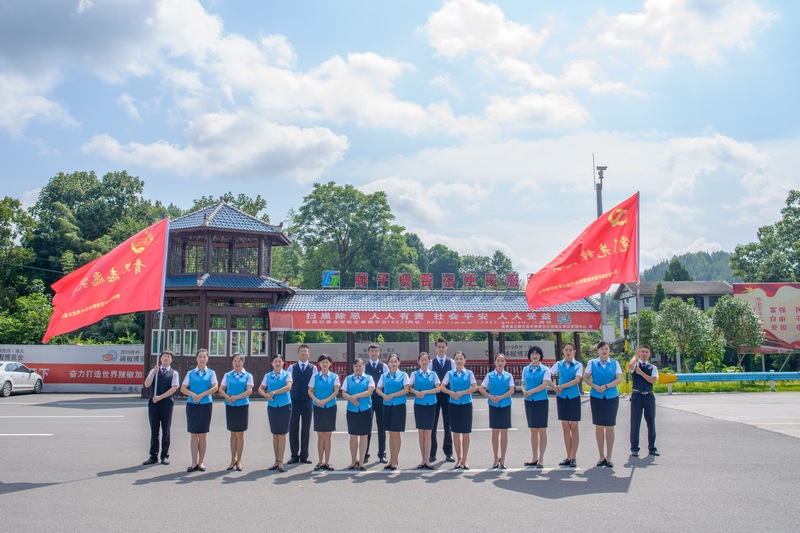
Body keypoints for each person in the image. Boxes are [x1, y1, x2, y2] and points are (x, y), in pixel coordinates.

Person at [584, 341, 623, 468]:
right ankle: (601, 456)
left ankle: (609, 456)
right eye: (602, 349)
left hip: (611, 396)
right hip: (596, 397)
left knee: (610, 426)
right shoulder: (592, 363)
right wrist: (595, 386)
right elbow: (585, 378)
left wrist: (606, 386)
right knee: (599, 426)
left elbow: (619, 379)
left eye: (606, 349)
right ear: (598, 351)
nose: (604, 351)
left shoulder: (615, 363)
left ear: (609, 351)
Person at [180, 348, 218, 472]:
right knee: (193, 434)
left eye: (204, 357)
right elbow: (183, 388)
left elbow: (215, 387)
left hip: (206, 404)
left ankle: (201, 462)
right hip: (192, 404)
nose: (202, 359)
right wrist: (193, 394)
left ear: (207, 359)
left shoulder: (211, 373)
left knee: (203, 434)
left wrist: (202, 394)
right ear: (196, 358)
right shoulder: (190, 373)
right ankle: (193, 462)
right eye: (200, 357)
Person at [440, 351, 477, 470]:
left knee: (465, 433)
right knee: (455, 433)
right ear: (454, 361)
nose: (459, 361)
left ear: (464, 360)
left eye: (461, 359)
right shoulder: (450, 373)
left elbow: (475, 387)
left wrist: (462, 393)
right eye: (457, 359)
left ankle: (465, 460)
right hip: (454, 404)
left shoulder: (469, 373)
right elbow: (441, 387)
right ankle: (459, 458)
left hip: (466, 404)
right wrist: (451, 393)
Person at [142, 350, 179, 466]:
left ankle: (165, 456)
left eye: (169, 357)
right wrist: (154, 372)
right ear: (160, 358)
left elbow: (174, 388)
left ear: (171, 360)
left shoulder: (174, 373)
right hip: (154, 403)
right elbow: (147, 384)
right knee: (154, 430)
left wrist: (160, 397)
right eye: (164, 356)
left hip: (166, 403)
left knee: (166, 430)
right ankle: (153, 455)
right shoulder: (154, 371)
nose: (166, 358)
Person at [479, 353, 516, 469]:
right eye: (498, 360)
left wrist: (501, 397)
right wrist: (490, 397)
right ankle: (495, 458)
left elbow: (512, 390)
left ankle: (503, 459)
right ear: (495, 362)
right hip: (493, 405)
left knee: (504, 432)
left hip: (505, 404)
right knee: (495, 432)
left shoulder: (508, 376)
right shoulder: (490, 376)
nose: (500, 363)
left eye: (502, 361)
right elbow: (481, 388)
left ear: (505, 363)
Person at [550, 342, 583, 468]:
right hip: (562, 397)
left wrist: (561, 386)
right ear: (563, 351)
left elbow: (576, 380)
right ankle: (568, 456)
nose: (568, 352)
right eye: (566, 350)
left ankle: (574, 456)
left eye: (570, 350)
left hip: (574, 396)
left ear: (574, 351)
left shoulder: (578, 365)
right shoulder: (559, 364)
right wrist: (554, 386)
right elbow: (547, 374)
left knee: (574, 426)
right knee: (565, 426)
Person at [219, 352, 253, 471]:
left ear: (243, 362)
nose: (237, 363)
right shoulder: (227, 375)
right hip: (230, 406)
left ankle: (239, 460)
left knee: (240, 434)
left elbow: (249, 391)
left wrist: (236, 397)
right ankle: (232, 459)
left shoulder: (248, 375)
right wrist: (226, 396)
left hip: (242, 406)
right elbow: (221, 389)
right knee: (232, 433)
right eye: (235, 361)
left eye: (239, 361)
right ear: (232, 363)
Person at [258, 354, 293, 472]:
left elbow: (288, 387)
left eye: (279, 361)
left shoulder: (287, 374)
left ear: (283, 363)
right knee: (275, 434)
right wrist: (265, 395)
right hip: (272, 406)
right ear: (272, 363)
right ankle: (276, 460)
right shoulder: (268, 375)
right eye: (275, 361)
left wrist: (274, 392)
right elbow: (260, 388)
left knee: (282, 434)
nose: (277, 363)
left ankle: (281, 461)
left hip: (284, 406)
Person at [376, 353, 410, 471]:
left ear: (399, 363)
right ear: (388, 363)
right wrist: (383, 395)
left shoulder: (403, 375)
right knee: (390, 433)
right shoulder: (384, 376)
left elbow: (406, 389)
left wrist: (393, 395)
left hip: (399, 406)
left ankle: (395, 459)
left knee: (396, 433)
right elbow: (378, 388)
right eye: (391, 362)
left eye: (395, 362)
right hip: (387, 405)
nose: (393, 364)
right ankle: (391, 459)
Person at [341, 358, 375, 471]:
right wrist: (351, 398)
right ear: (353, 367)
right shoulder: (348, 378)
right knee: (353, 436)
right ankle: (353, 460)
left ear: (363, 367)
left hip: (366, 409)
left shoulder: (369, 378)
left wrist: (356, 396)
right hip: (352, 409)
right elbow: (344, 392)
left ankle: (361, 461)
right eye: (356, 366)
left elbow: (369, 391)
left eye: (360, 366)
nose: (358, 368)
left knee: (364, 435)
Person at [308, 354, 340, 471]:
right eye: (322, 362)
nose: (325, 364)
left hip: (330, 406)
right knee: (320, 435)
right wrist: (316, 400)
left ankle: (327, 461)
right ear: (319, 364)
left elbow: (336, 391)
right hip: (318, 407)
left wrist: (326, 400)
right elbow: (310, 391)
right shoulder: (315, 376)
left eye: (327, 362)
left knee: (328, 435)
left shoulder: (335, 376)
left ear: (330, 364)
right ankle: (320, 461)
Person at [521, 346, 552, 468]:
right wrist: (523, 390)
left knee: (542, 429)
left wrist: (531, 391)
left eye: (537, 353)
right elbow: (523, 383)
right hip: (529, 401)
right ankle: (534, 457)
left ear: (540, 356)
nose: (534, 355)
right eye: (532, 353)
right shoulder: (525, 369)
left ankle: (541, 458)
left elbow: (544, 385)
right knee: (533, 430)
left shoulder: (545, 369)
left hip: (541, 401)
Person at [409, 351, 440, 470]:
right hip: (419, 404)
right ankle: (423, 460)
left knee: (428, 432)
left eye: (426, 360)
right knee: (421, 433)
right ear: (418, 362)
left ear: (429, 361)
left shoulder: (433, 374)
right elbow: (409, 387)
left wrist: (426, 392)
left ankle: (428, 460)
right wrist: (416, 392)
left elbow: (438, 388)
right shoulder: (415, 374)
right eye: (422, 360)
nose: (424, 362)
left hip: (430, 404)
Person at [287, 344, 317, 465]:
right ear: (298, 354)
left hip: (307, 401)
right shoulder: (291, 367)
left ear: (309, 354)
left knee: (306, 428)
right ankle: (294, 455)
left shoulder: (313, 368)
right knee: (293, 428)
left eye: (306, 352)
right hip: (294, 400)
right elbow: (288, 384)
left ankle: (304, 455)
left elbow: (314, 385)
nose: (304, 353)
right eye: (301, 351)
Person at [629, 344, 659, 457]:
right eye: (642, 351)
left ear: (649, 354)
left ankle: (652, 447)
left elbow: (652, 380)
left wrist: (641, 373)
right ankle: (634, 448)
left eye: (646, 352)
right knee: (635, 422)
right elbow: (630, 365)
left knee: (651, 422)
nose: (644, 354)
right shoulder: (635, 365)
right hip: (637, 395)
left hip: (648, 396)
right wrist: (635, 356)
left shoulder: (653, 368)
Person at [430, 337, 455, 463]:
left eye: (443, 347)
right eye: (439, 347)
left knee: (448, 425)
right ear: (435, 348)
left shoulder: (451, 362)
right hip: (434, 396)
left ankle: (448, 452)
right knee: (432, 425)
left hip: (448, 395)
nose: (441, 349)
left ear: (446, 348)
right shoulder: (431, 362)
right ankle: (432, 452)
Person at [363, 343, 388, 464]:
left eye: (376, 351)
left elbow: (387, 382)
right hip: (367, 400)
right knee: (366, 426)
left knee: (382, 427)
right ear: (368, 353)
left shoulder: (383, 366)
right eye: (372, 351)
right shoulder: (364, 366)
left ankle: (382, 453)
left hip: (380, 399)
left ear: (379, 353)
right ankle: (365, 454)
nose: (374, 353)